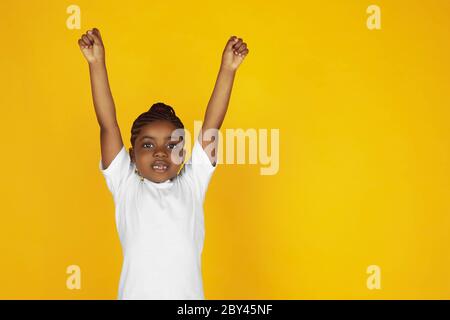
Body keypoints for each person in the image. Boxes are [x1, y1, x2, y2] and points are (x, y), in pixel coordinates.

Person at [77, 27, 249, 299]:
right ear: (131, 155)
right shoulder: (125, 183)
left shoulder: (193, 183)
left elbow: (211, 126)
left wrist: (228, 69)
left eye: (172, 145)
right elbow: (108, 124)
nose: (160, 152)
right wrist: (97, 64)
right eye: (148, 145)